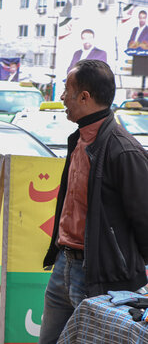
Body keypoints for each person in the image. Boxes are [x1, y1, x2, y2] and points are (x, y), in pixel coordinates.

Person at [38, 59, 148, 344]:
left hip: (102, 275)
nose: (61, 97)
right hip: (64, 264)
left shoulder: (124, 151)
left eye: (66, 89)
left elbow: (144, 219)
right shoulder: (78, 139)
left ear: (84, 97)